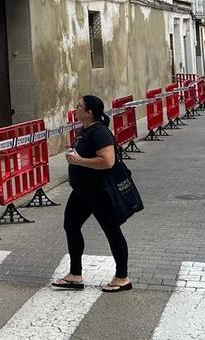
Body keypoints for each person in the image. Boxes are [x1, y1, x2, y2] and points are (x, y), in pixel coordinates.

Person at [52, 94, 131, 292]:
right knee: (71, 225)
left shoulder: (100, 132)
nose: (75, 109)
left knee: (111, 230)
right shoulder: (85, 130)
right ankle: (75, 275)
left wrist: (78, 161)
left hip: (99, 191)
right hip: (82, 191)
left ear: (89, 112)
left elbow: (108, 161)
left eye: (79, 106)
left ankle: (122, 277)